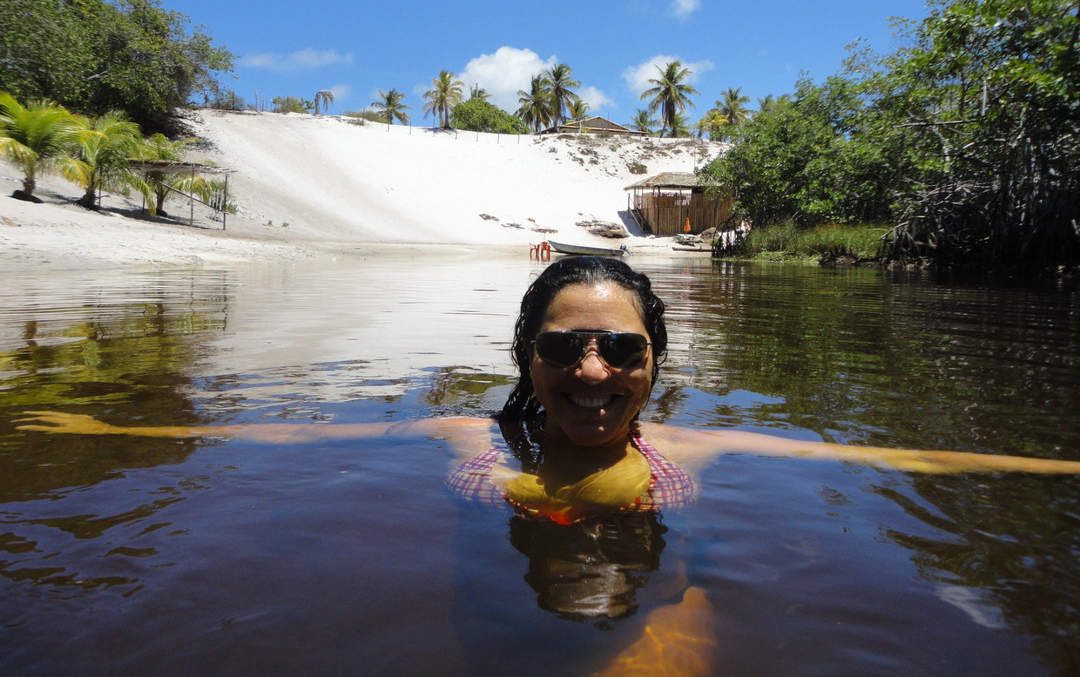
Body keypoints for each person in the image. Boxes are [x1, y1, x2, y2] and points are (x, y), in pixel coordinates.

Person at [16, 256, 1080, 671]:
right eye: (565, 346)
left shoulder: (689, 446)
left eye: (621, 348)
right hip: (498, 607)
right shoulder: (471, 437)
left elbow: (902, 454)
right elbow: (298, 436)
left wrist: (1061, 470)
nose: (592, 368)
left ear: (654, 362)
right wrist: (117, 439)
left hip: (657, 604)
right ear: (527, 358)